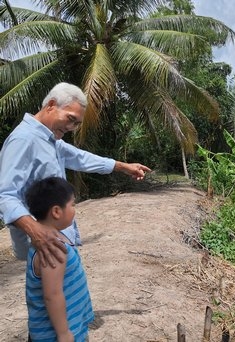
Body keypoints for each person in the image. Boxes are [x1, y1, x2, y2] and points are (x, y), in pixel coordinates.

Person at [0, 82, 151, 267]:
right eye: (70, 119)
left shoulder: (50, 139)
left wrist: (122, 166)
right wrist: (36, 231)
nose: (71, 127)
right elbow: (6, 195)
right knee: (53, 294)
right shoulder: (23, 140)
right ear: (51, 105)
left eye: (76, 124)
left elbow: (80, 158)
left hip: (58, 240)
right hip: (44, 246)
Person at [25, 177, 93, 342]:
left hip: (70, 325)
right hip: (55, 335)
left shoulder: (46, 240)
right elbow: (52, 294)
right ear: (56, 211)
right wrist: (63, 333)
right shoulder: (53, 248)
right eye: (73, 205)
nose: (74, 209)